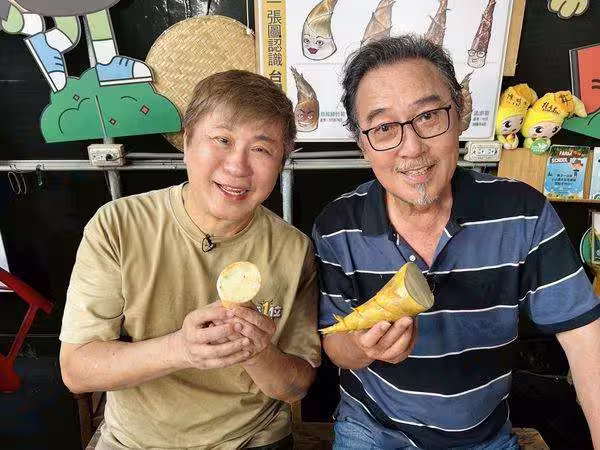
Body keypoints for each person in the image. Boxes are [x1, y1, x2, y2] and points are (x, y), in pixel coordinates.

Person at [313, 35, 600, 449]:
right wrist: (362, 347)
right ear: (362, 144)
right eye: (384, 128)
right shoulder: (337, 226)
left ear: (461, 113)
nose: (412, 148)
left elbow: (586, 339)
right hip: (374, 432)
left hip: (482, 437)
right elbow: (334, 342)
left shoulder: (521, 212)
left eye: (429, 116)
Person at [59, 70, 320, 449]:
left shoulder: (293, 249)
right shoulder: (118, 225)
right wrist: (181, 349)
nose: (237, 166)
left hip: (250, 439)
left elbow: (295, 388)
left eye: (261, 149)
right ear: (187, 142)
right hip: (135, 442)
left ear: (281, 161)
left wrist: (258, 351)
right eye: (222, 140)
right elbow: (76, 370)